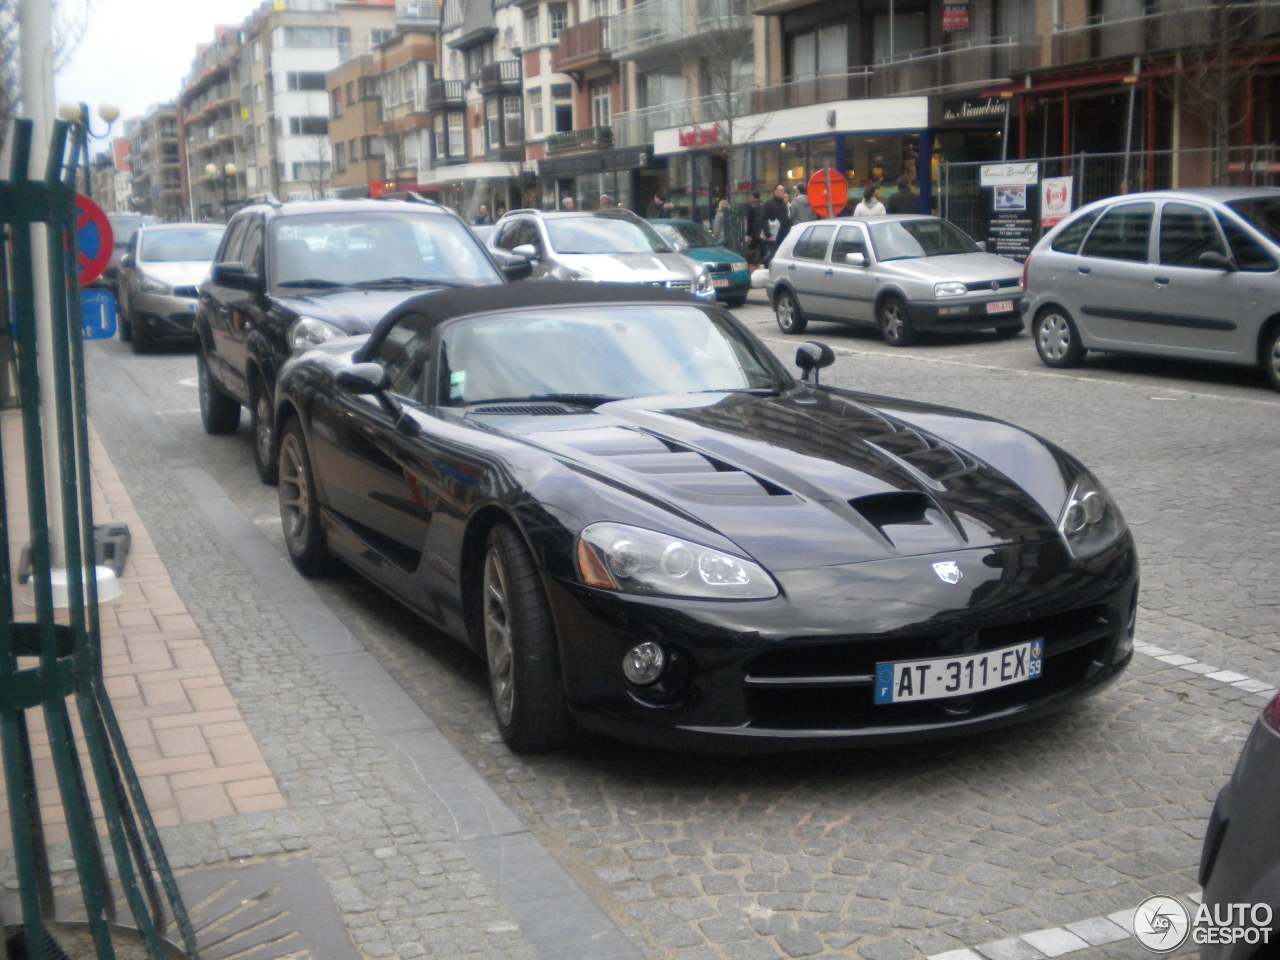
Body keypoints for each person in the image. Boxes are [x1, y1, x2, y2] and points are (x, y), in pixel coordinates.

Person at [760, 183, 792, 264]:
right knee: (774, 255)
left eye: (783, 190)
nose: (783, 192)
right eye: (781, 190)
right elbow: (763, 219)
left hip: (784, 234)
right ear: (775, 192)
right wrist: (768, 235)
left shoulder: (784, 204)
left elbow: (787, 219)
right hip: (774, 236)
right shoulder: (768, 204)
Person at [745, 191, 765, 266]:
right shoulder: (764, 205)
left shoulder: (751, 206)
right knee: (762, 248)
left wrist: (748, 234)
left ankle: (752, 263)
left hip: (754, 232)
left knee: (752, 249)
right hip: (762, 231)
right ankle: (761, 262)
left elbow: (749, 221)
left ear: (753, 197)